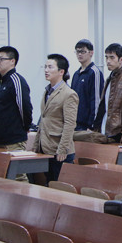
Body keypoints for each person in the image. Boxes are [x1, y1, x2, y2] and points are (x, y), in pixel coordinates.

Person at [33, 54, 78, 182]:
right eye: (45, 67)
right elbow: (43, 120)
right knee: (48, 183)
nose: (46, 70)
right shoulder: (47, 91)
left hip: (59, 149)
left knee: (59, 186)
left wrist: (62, 149)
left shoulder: (69, 94)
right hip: (45, 147)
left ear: (61, 72)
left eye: (50, 67)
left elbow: (70, 124)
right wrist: (36, 145)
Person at [0, 46, 33, 182]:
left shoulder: (16, 80)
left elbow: (25, 107)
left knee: (17, 175)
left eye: (1, 59)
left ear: (12, 61)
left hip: (14, 138)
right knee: (1, 174)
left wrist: (25, 126)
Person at [92, 43, 122, 143]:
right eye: (106, 57)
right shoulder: (110, 77)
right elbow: (103, 106)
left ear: (121, 59)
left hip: (119, 131)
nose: (108, 61)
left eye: (112, 57)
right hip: (104, 128)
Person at [71, 39, 104, 131]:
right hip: (74, 124)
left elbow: (97, 101)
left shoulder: (94, 72)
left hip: (87, 126)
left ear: (91, 53)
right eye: (77, 52)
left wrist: (92, 125)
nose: (79, 54)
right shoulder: (76, 74)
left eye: (83, 51)